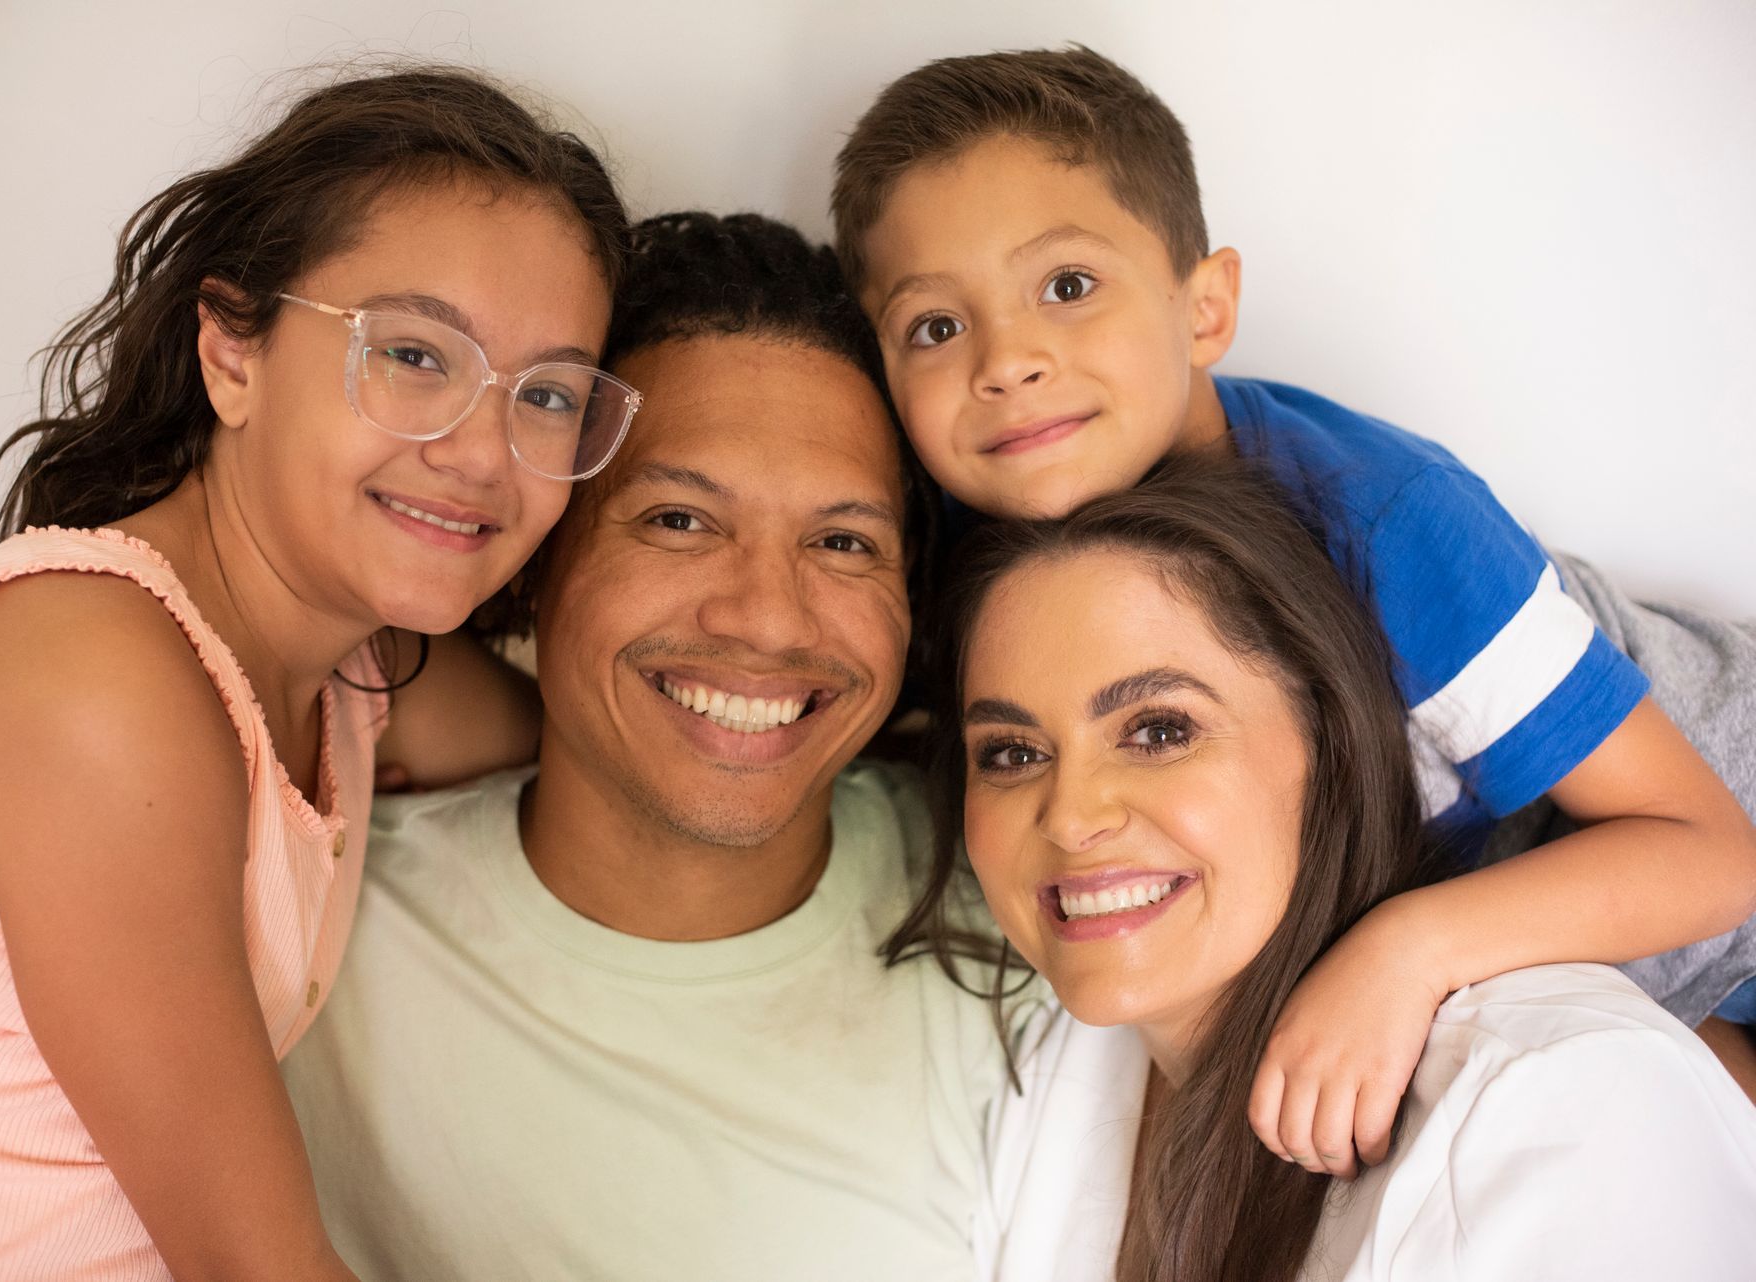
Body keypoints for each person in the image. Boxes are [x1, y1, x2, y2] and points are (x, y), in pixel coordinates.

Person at [830, 45, 1756, 1164]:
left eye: (1066, 287)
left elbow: (1710, 854)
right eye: (936, 326)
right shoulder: (970, 524)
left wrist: (1405, 952)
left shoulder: (1387, 519)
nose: (1007, 360)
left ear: (1205, 307)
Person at [0, 66, 635, 1281]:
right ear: (232, 355)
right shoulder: (96, 678)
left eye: (548, 395)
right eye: (414, 354)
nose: (482, 451)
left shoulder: (355, 679)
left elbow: (596, 730)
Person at [276, 210, 1015, 1281]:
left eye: (844, 541)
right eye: (677, 520)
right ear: (533, 556)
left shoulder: (1030, 935)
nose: (767, 618)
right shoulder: (304, 927)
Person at [928, 457, 1756, 1281]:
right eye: (1012, 751)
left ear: (1333, 748)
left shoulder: (1557, 1109)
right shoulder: (1043, 1073)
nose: (1071, 818)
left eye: (1160, 731)